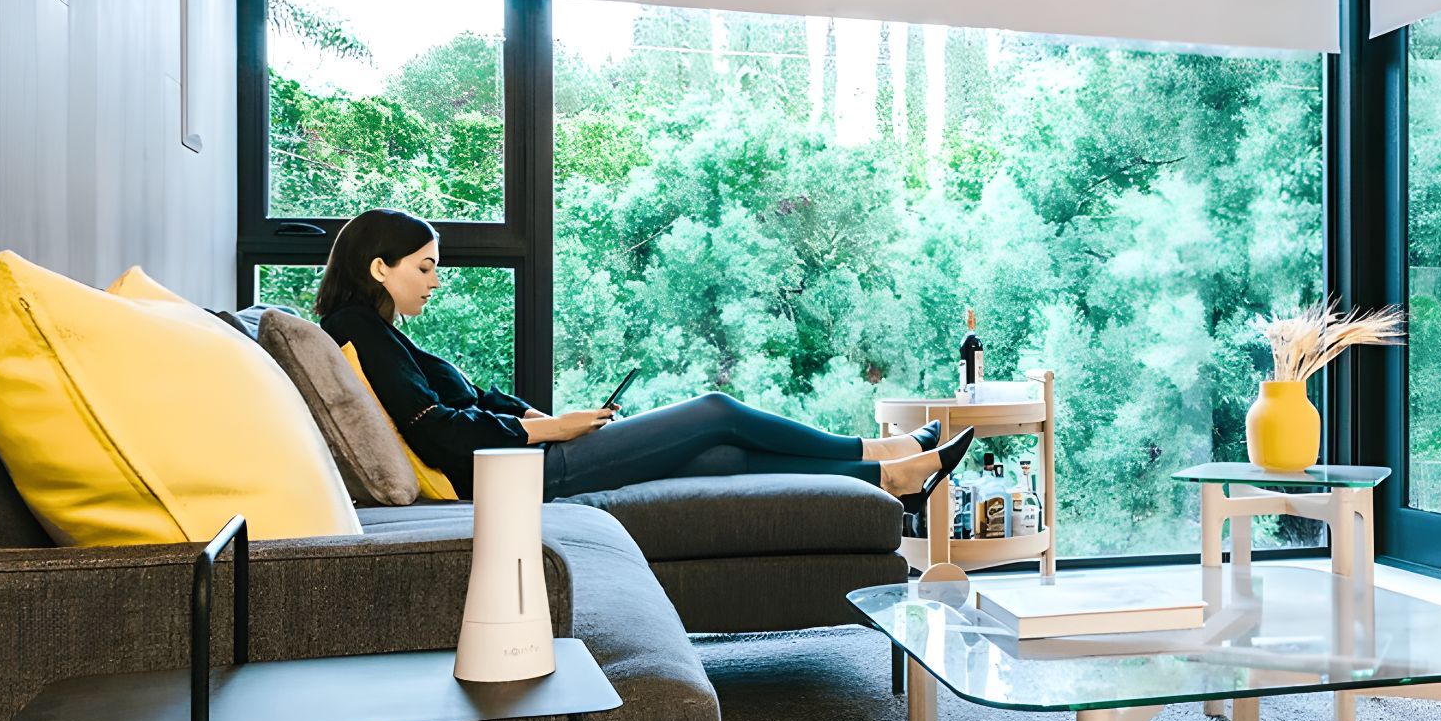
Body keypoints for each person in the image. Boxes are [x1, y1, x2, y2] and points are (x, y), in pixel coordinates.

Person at [316, 209, 972, 508]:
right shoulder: (355, 332)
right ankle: (878, 453)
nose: (435, 281)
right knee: (716, 410)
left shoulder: (384, 335)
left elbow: (471, 402)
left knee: (723, 457)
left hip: (528, 460)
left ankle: (890, 483)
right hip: (521, 478)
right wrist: (549, 430)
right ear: (379, 266)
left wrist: (540, 414)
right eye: (426, 268)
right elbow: (437, 430)